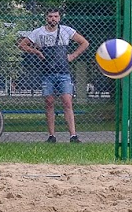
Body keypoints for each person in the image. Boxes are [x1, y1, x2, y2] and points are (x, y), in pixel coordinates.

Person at [18, 8, 89, 143]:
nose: (53, 19)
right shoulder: (38, 32)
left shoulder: (66, 30)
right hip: (47, 72)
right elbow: (22, 45)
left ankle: (73, 135)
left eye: (56, 16)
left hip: (63, 71)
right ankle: (51, 135)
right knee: (49, 102)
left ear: (59, 18)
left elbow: (84, 42)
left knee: (67, 102)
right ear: (46, 18)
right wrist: (36, 52)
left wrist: (73, 55)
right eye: (50, 16)